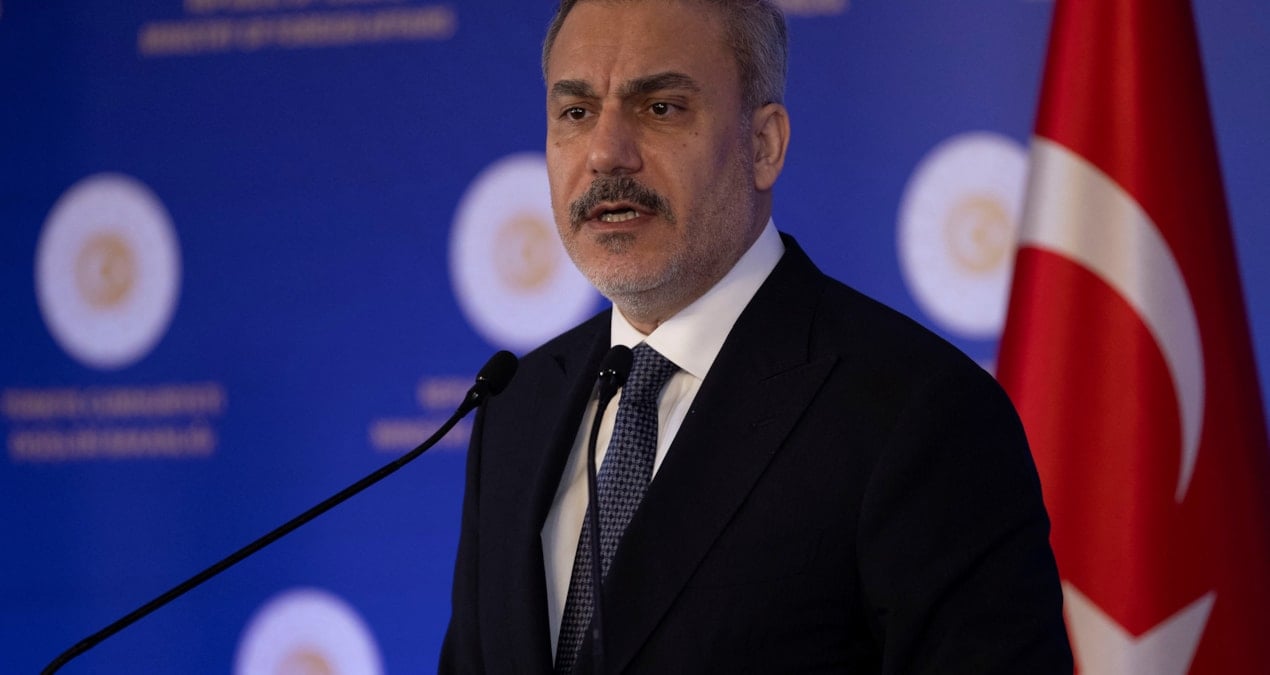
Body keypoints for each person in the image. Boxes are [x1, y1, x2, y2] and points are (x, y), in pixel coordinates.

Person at [441, 0, 1073, 672]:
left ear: (764, 145)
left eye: (661, 107)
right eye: (576, 112)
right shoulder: (517, 405)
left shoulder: (919, 413)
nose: (605, 153)